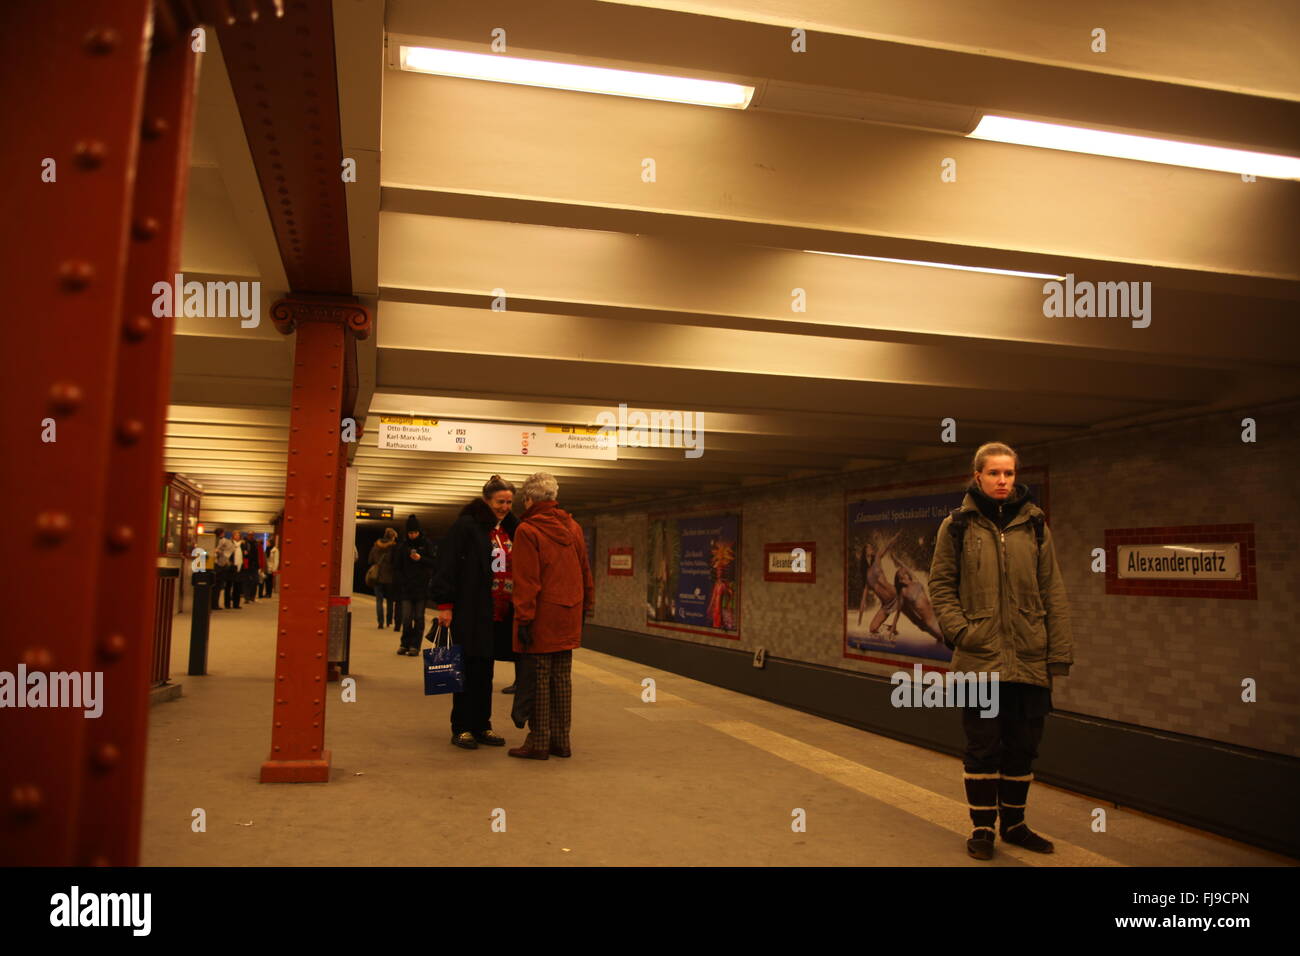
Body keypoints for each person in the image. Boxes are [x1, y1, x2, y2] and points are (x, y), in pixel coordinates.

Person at [928, 441, 1074, 861]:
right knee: (983, 747)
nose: (1002, 481)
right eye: (994, 473)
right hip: (979, 659)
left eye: (1009, 474)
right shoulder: (956, 526)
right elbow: (940, 586)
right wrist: (961, 632)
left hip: (1029, 658)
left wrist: (1057, 653)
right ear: (978, 476)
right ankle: (981, 828)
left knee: (1024, 746)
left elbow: (1053, 591)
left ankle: (1015, 824)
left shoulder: (1036, 526)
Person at [507, 472, 593, 760]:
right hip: (569, 611)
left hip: (542, 614)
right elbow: (584, 571)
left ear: (529, 499)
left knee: (539, 677)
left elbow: (527, 581)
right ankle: (561, 740)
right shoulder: (574, 527)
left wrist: (524, 618)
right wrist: (586, 606)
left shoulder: (527, 531)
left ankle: (539, 741)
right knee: (562, 677)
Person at [432, 476, 519, 750]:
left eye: (508, 502)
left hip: (497, 613)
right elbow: (446, 565)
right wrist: (445, 606)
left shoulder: (508, 530)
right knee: (466, 669)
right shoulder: (466, 527)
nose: (504, 507)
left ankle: (483, 725)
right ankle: (462, 727)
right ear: (486, 501)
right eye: (500, 501)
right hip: (471, 610)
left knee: (486, 671)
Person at [393, 515, 434, 655]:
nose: (412, 535)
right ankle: (404, 644)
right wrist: (401, 581)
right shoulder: (403, 546)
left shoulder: (426, 544)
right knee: (406, 618)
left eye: (415, 532)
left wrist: (420, 559)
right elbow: (397, 566)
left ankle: (415, 646)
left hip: (421, 588)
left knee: (418, 618)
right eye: (410, 533)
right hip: (407, 587)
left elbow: (434, 562)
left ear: (419, 531)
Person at [368, 528, 398, 629]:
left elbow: (370, 560)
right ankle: (389, 621)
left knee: (379, 601)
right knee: (390, 601)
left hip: (377, 577)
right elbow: (395, 562)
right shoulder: (393, 547)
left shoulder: (376, 546)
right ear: (392, 537)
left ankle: (380, 622)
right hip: (390, 578)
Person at [212, 529, 234, 610]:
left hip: (213, 565)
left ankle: (213, 604)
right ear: (222, 534)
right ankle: (214, 604)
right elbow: (224, 553)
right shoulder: (223, 541)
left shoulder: (213, 540)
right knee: (217, 586)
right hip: (219, 566)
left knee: (214, 586)